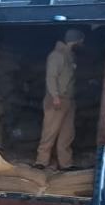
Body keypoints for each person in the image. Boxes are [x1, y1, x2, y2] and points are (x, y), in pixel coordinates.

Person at [35, 29, 83, 171]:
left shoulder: (70, 56)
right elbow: (51, 77)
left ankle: (65, 163)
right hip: (56, 99)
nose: (82, 44)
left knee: (67, 134)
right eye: (81, 41)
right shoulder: (57, 56)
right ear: (75, 41)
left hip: (68, 99)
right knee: (50, 131)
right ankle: (41, 161)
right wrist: (55, 96)